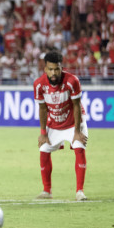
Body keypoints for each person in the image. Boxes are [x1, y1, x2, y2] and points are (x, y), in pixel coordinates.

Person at [34, 50, 88, 201]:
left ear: (61, 68)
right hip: (54, 122)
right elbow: (42, 109)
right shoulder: (39, 85)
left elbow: (76, 105)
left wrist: (77, 131)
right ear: (45, 69)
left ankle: (79, 191)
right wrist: (43, 133)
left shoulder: (72, 81)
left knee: (79, 147)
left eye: (57, 69)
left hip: (74, 121)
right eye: (50, 69)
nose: (53, 73)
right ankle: (47, 191)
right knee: (43, 149)